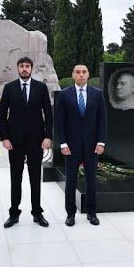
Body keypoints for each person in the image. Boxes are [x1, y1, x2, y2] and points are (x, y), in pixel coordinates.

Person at [0, 57, 53, 228]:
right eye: (21, 66)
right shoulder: (9, 88)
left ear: (31, 69)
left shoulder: (41, 87)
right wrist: (4, 137)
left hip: (36, 141)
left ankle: (37, 213)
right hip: (14, 142)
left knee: (35, 178)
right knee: (16, 178)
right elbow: (2, 115)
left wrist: (47, 136)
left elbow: (48, 114)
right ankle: (14, 213)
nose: (24, 69)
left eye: (27, 66)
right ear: (18, 68)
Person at [56, 64, 107, 226]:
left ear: (88, 75)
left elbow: (102, 121)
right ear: (73, 75)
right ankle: (70, 213)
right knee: (71, 180)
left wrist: (101, 142)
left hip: (92, 146)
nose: (81, 75)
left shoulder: (98, 95)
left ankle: (91, 213)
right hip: (71, 146)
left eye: (84, 72)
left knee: (91, 180)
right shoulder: (64, 95)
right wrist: (63, 144)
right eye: (78, 72)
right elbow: (60, 122)